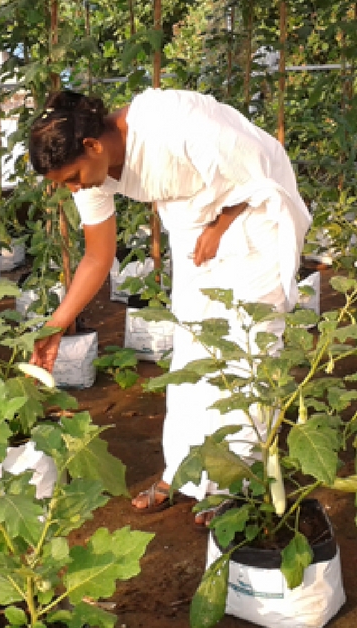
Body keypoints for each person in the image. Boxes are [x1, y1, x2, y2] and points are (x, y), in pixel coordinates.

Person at [26, 89, 310, 523]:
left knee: (247, 355)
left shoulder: (172, 124)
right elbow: (97, 256)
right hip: (195, 225)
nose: (74, 188)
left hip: (254, 217)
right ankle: (186, 471)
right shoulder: (92, 171)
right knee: (193, 355)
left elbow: (258, 167)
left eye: (73, 179)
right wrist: (57, 325)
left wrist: (223, 222)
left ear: (92, 146)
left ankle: (239, 487)